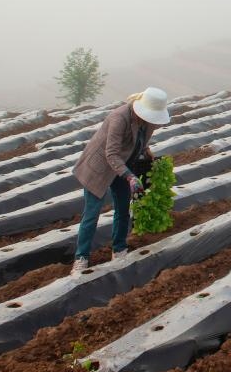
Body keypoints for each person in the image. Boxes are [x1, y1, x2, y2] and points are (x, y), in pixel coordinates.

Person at [70, 87, 171, 276]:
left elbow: (140, 140)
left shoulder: (149, 122)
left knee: (123, 209)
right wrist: (130, 176)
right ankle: (81, 257)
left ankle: (119, 248)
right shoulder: (120, 117)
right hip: (99, 167)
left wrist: (147, 151)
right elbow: (111, 153)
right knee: (92, 214)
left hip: (123, 164)